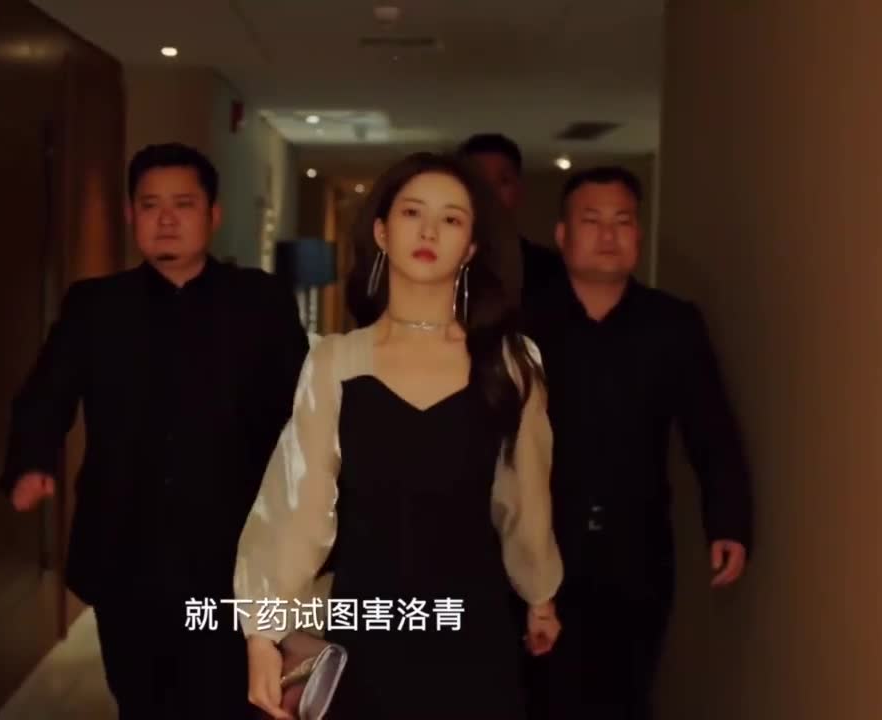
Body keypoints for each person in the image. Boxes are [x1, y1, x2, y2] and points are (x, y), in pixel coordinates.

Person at [233, 152, 564, 720]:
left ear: (472, 246)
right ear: (383, 231)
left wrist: (540, 595)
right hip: (365, 628)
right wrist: (263, 632)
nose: (429, 231)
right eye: (413, 212)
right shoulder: (335, 361)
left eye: (451, 218)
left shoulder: (511, 361)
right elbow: (299, 506)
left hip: (472, 628)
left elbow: (524, 497)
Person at [0, 143, 309, 719]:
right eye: (150, 205)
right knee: (142, 701)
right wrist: (32, 460)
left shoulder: (259, 302)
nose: (166, 219)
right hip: (125, 550)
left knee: (230, 698)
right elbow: (46, 394)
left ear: (213, 214)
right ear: (130, 215)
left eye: (183, 204)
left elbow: (300, 412)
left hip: (234, 552)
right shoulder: (96, 306)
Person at [526, 166, 754, 720]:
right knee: (538, 696)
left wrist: (728, 522)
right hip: (536, 549)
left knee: (625, 696)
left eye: (622, 221)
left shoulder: (673, 324)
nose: (608, 234)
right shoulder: (524, 322)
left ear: (639, 234)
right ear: (562, 235)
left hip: (637, 552)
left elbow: (711, 429)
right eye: (592, 220)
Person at [459, 133, 565, 313]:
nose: (490, 192)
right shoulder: (440, 261)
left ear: (518, 189)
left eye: (503, 181)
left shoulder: (550, 269)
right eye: (479, 180)